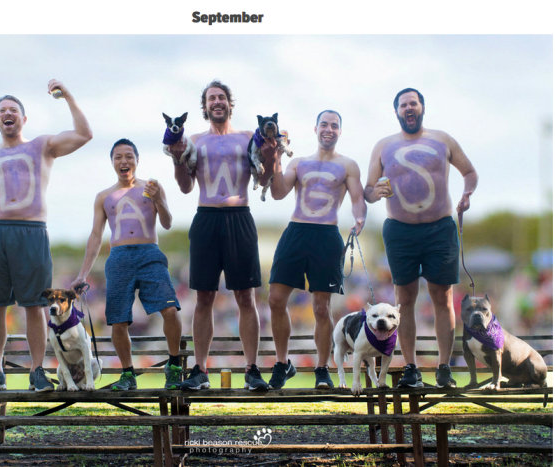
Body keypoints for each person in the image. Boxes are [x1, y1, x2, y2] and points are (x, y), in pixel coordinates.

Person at [0, 80, 93, 392]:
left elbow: (84, 134)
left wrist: (67, 96)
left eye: (14, 110)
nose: (7, 114)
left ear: (24, 119)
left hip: (32, 231)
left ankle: (37, 370)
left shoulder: (41, 145)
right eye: (2, 111)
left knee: (35, 305)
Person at [166, 80, 279, 391]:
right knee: (204, 297)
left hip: (239, 216)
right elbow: (186, 186)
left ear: (230, 103)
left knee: (246, 297)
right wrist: (177, 158)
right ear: (204, 107)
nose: (217, 102)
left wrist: (270, 156)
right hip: (206, 218)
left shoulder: (247, 138)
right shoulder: (194, 141)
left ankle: (252, 369)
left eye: (222, 97)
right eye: (211, 98)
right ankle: (200, 370)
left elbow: (264, 178)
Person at [364, 88, 478, 389]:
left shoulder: (443, 140)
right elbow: (367, 191)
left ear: (422, 107)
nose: (408, 108)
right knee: (404, 299)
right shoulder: (383, 146)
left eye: (413, 103)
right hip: (400, 230)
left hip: (439, 228)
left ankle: (443, 368)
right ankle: (412, 367)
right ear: (397, 112)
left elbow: (470, 172)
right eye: (403, 105)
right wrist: (376, 192)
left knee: (442, 297)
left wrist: (467, 195)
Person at [70, 139, 183, 390]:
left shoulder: (151, 187)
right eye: (119, 157)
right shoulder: (104, 197)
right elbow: (96, 236)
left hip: (149, 253)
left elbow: (166, 222)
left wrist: (160, 201)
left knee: (170, 310)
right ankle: (128, 374)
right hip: (119, 256)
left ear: (137, 160)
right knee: (118, 321)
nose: (124, 161)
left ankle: (174, 365)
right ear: (112, 162)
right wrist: (82, 274)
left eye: (129, 156)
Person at [267, 110, 367, 389]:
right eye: (324, 124)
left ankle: (322, 369)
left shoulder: (348, 165)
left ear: (339, 132)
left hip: (327, 235)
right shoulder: (298, 163)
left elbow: (358, 199)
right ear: (315, 129)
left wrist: (360, 217)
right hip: (297, 231)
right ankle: (282, 362)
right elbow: (278, 192)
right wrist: (275, 158)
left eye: (335, 125)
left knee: (322, 307)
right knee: (275, 299)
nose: (329, 129)